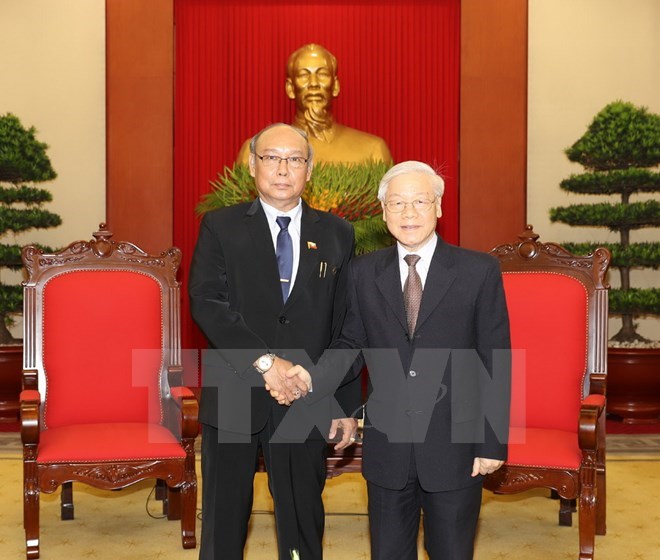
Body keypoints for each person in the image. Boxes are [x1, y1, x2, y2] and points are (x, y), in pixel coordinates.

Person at [284, 161, 511, 559]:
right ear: (383, 211)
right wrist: (313, 375)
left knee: (452, 551)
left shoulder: (479, 271)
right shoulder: (362, 272)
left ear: (439, 207)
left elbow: (495, 358)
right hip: (389, 449)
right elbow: (351, 343)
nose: (409, 214)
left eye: (420, 202)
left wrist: (491, 442)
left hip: (456, 446)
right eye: (397, 203)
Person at [189, 123, 360, 560]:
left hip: (306, 394)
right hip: (233, 391)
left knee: (302, 516)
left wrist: (342, 404)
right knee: (224, 517)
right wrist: (266, 362)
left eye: (295, 159)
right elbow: (207, 303)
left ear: (309, 169)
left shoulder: (338, 234)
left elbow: (346, 325)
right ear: (252, 165)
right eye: (271, 157)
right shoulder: (220, 227)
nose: (283, 168)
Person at [236, 43, 393, 165]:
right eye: (304, 75)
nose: (313, 84)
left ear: (335, 86)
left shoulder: (373, 150)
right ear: (290, 88)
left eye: (322, 74)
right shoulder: (255, 151)